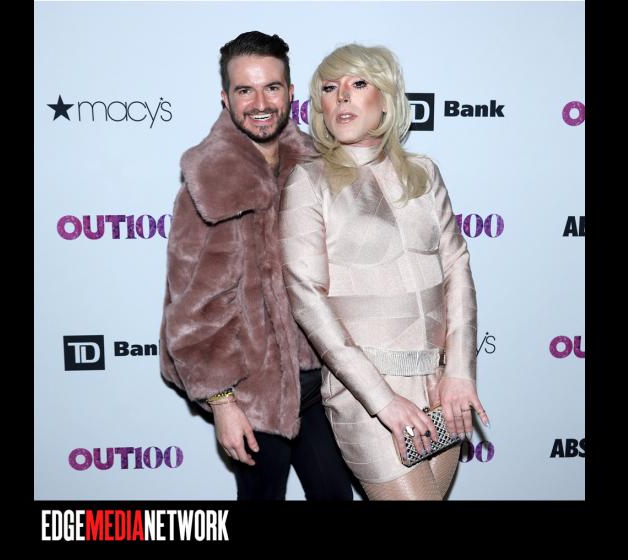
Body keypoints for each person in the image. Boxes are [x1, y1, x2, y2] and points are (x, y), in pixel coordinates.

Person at [279, 44, 490, 500]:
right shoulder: (309, 181)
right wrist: (382, 401)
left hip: (440, 385)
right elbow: (307, 299)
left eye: (358, 84)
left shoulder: (423, 173)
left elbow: (456, 267)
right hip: (366, 396)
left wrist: (459, 370)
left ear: (387, 98)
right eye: (330, 88)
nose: (342, 96)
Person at [159, 31, 353, 501]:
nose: (260, 103)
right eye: (245, 90)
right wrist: (223, 403)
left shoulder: (319, 167)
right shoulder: (207, 184)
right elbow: (191, 310)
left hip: (322, 383)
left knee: (335, 495)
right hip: (252, 392)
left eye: (271, 87)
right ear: (226, 98)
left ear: (290, 93)